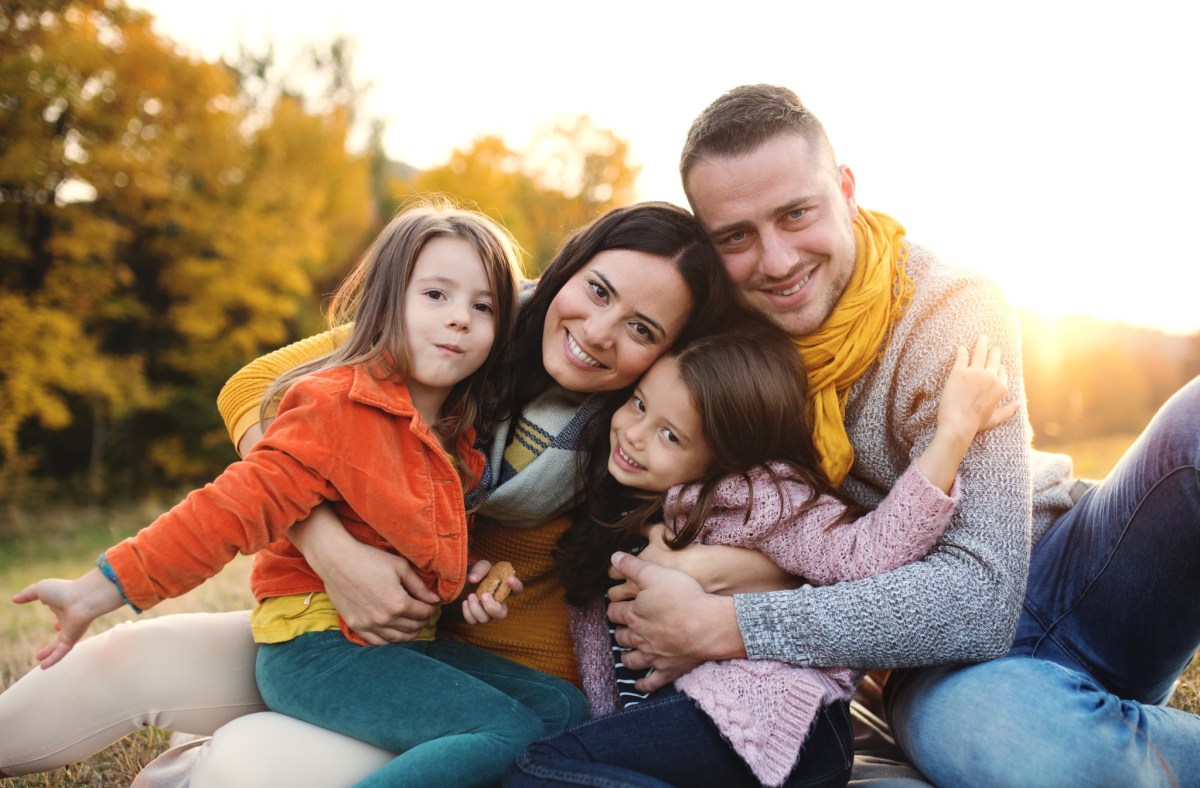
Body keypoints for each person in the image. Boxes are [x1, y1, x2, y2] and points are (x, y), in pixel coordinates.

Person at [0, 201, 742, 785]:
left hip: (457, 659)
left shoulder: (644, 433)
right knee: (124, 664)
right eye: (597, 290)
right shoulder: (451, 333)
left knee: (248, 761)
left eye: (641, 328)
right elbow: (256, 396)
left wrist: (472, 578)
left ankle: (192, 769)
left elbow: (769, 525)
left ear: (666, 355)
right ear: (567, 269)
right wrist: (332, 548)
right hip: (335, 631)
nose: (601, 331)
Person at [605, 84, 1200, 786]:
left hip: (1073, 565)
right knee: (1025, 751)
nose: (775, 260)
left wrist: (736, 621)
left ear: (846, 190)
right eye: (736, 235)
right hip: (930, 665)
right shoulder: (716, 353)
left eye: (797, 214)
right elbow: (589, 333)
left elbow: (981, 593)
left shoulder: (946, 306)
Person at [506, 322, 1016, 788]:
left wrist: (952, 433)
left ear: (722, 457)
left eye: (670, 435)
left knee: (539, 771)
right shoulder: (615, 504)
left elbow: (869, 555)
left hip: (780, 723)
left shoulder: (757, 496)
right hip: (695, 728)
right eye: (639, 403)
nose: (634, 435)